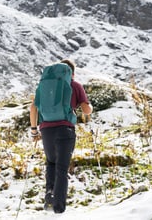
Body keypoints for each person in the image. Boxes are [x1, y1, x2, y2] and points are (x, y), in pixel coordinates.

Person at [29, 59, 93, 213]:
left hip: (46, 130)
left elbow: (33, 108)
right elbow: (86, 110)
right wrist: (89, 106)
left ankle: (49, 196)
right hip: (65, 130)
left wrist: (33, 130)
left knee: (51, 163)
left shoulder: (45, 85)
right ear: (71, 72)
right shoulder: (75, 85)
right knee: (62, 168)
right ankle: (58, 209)